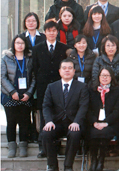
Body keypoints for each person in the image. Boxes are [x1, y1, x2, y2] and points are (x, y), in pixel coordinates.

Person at [40, 59, 89, 171]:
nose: (67, 70)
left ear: (74, 71)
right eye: (64, 68)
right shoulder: (51, 87)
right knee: (46, 133)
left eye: (70, 68)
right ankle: (52, 165)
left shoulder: (82, 87)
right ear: (59, 71)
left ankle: (68, 166)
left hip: (73, 122)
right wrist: (49, 121)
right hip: (56, 122)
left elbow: (83, 107)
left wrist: (76, 122)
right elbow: (46, 106)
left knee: (75, 133)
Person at [32, 20, 69, 158]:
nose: (52, 33)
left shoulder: (64, 48)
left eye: (54, 31)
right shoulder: (37, 48)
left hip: (59, 87)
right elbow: (35, 69)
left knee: (58, 115)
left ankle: (56, 146)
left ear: (57, 32)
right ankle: (43, 147)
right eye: (49, 31)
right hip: (43, 87)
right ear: (45, 32)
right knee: (44, 116)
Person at [2, 35, 35, 158]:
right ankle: (11, 146)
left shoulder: (30, 58)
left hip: (26, 95)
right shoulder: (6, 58)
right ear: (13, 44)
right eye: (17, 43)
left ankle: (23, 146)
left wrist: (29, 93)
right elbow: (2, 77)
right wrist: (12, 92)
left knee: (24, 121)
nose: (20, 45)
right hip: (10, 95)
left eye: (22, 43)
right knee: (11, 122)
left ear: (25, 44)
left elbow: (34, 77)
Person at [86, 67, 119, 171]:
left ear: (111, 77)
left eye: (107, 75)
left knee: (104, 133)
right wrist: (94, 122)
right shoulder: (91, 90)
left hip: (110, 123)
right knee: (92, 133)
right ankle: (93, 160)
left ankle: (101, 159)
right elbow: (88, 110)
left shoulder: (117, 91)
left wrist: (106, 122)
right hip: (95, 123)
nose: (104, 78)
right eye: (102, 75)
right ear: (98, 77)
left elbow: (117, 111)